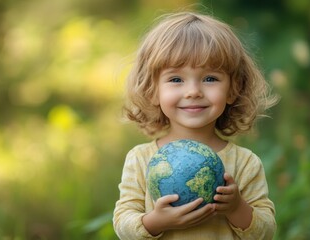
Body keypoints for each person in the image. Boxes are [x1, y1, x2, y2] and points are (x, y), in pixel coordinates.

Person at [113, 11, 278, 240]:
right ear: (153, 90)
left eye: (210, 78)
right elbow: (123, 224)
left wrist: (237, 207)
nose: (193, 92)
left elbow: (266, 232)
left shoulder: (245, 163)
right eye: (176, 79)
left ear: (233, 89)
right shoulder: (141, 159)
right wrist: (155, 222)